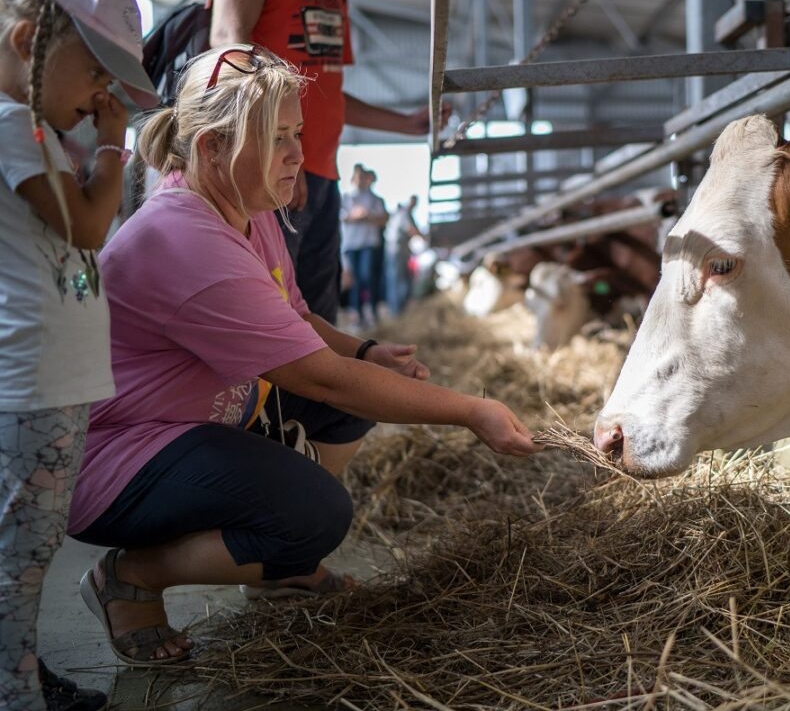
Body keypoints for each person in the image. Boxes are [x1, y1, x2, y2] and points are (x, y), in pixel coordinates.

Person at [67, 45, 540, 667]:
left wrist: (367, 350)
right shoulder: (184, 237)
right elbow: (324, 380)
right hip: (117, 460)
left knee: (358, 399)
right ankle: (131, 578)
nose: (298, 154)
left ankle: (277, 568)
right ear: (212, 147)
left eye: (297, 133)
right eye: (279, 139)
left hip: (198, 420)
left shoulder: (246, 204)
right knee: (315, 514)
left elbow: (295, 318)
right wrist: (472, 410)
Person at [0, 0, 159, 707]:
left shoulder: (30, 131)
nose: (104, 95)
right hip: (35, 379)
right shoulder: (12, 126)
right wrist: (113, 147)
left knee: (29, 548)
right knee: (21, 555)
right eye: (96, 72)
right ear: (29, 39)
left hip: (51, 378)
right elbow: (90, 226)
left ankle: (22, 667)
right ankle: (15, 689)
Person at [210, 0, 450, 325]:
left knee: (315, 312)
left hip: (322, 171)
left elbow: (326, 92)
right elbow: (228, 46)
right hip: (274, 173)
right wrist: (277, 150)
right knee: (272, 314)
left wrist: (404, 124)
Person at [340, 164, 386, 327]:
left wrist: (368, 216)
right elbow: (342, 217)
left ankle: (372, 311)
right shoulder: (347, 197)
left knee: (367, 276)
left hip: (369, 243)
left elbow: (382, 219)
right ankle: (358, 315)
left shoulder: (374, 198)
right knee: (356, 280)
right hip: (351, 244)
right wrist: (356, 216)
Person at [383, 194, 419, 318]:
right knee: (397, 279)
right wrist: (424, 237)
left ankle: (398, 309)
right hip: (397, 250)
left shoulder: (401, 213)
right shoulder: (404, 214)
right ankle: (396, 311)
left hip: (398, 249)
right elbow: (411, 229)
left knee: (399, 278)